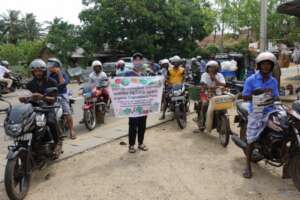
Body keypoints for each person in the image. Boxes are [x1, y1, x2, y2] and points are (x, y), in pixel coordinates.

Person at [242, 52, 279, 179]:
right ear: (259, 66)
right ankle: (247, 165)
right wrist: (256, 92)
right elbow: (245, 97)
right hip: (256, 111)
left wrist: (273, 96)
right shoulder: (251, 80)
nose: (266, 67)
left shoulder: (273, 80)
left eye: (269, 64)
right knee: (251, 138)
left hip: (270, 109)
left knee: (284, 125)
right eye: (264, 64)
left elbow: (276, 96)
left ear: (272, 66)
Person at [20, 59, 62, 158]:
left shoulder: (51, 81)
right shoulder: (29, 84)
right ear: (32, 72)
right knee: (25, 123)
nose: (38, 73)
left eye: (40, 71)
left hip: (48, 106)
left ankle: (57, 142)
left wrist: (42, 97)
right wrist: (24, 99)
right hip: (33, 107)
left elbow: (53, 99)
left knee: (51, 121)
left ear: (44, 71)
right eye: (35, 71)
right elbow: (26, 95)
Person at [123, 52, 148, 153]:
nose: (137, 62)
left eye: (139, 60)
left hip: (144, 103)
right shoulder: (127, 74)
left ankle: (141, 143)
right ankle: (131, 145)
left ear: (142, 61)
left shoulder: (145, 74)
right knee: (133, 124)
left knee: (142, 124)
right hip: (132, 104)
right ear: (132, 62)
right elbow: (122, 87)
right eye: (135, 60)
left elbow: (152, 87)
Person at [47, 57, 76, 140]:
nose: (49, 66)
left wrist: (59, 72)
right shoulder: (48, 74)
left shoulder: (63, 73)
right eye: (48, 64)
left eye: (51, 65)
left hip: (61, 94)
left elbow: (63, 83)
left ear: (57, 66)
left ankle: (72, 130)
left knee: (67, 112)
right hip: (52, 95)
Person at [196, 60, 226, 129]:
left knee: (223, 106)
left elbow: (223, 84)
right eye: (211, 67)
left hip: (217, 94)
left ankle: (227, 126)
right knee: (205, 104)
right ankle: (202, 121)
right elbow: (203, 85)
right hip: (205, 94)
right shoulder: (204, 75)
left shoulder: (219, 75)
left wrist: (214, 79)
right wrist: (209, 87)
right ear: (207, 68)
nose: (212, 69)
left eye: (214, 67)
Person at [159, 55, 185, 120]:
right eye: (175, 62)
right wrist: (168, 83)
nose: (176, 63)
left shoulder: (182, 69)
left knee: (184, 96)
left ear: (179, 63)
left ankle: (183, 111)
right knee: (166, 98)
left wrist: (183, 83)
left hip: (180, 86)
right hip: (171, 86)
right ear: (172, 63)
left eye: (177, 62)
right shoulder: (169, 70)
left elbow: (184, 78)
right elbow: (167, 78)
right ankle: (163, 114)